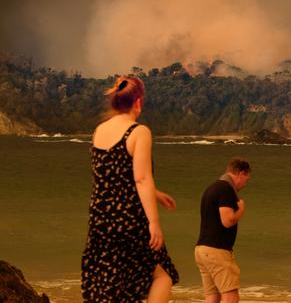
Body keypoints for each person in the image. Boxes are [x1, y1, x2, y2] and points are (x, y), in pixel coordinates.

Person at [82, 76, 179, 302]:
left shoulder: (99, 130)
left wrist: (155, 194)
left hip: (100, 219)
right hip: (128, 220)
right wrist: (154, 222)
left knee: (112, 284)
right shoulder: (138, 132)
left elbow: (111, 177)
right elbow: (141, 179)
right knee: (163, 276)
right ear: (138, 101)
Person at [194, 158, 251, 303]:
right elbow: (228, 220)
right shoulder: (225, 189)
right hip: (217, 250)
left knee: (213, 297)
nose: (245, 184)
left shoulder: (212, 188)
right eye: (246, 179)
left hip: (202, 249)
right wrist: (241, 210)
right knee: (230, 297)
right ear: (241, 173)